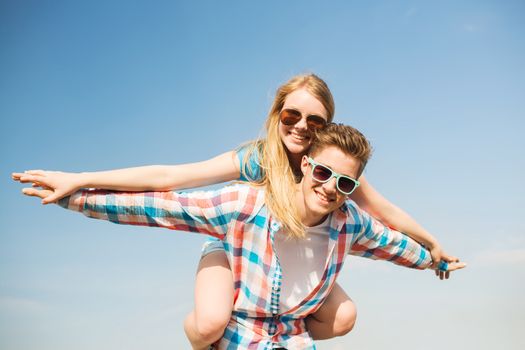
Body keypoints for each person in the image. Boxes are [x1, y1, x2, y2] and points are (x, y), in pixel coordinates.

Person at [12, 74, 457, 349]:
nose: (301, 126)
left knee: (343, 317)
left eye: (315, 121)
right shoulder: (255, 163)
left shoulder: (335, 174)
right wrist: (80, 180)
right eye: (292, 115)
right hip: (233, 245)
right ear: (277, 115)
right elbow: (169, 180)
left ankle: (279, 329)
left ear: (328, 128)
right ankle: (211, 343)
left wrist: (432, 245)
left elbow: (383, 217)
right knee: (209, 322)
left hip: (299, 259)